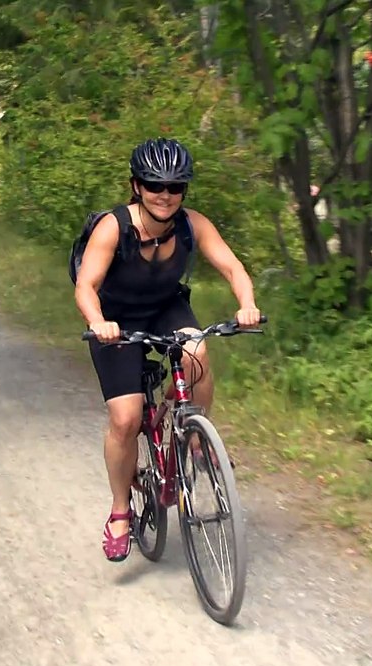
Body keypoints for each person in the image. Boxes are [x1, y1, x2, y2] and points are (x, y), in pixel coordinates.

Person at [74, 137, 262, 562]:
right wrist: (98, 323)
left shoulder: (192, 224)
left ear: (184, 191)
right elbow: (86, 285)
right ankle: (121, 512)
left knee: (196, 350)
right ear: (136, 185)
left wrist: (247, 304)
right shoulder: (113, 226)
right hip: (116, 321)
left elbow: (233, 267)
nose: (165, 194)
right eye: (154, 184)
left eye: (175, 187)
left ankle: (196, 437)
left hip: (165, 308)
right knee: (126, 418)